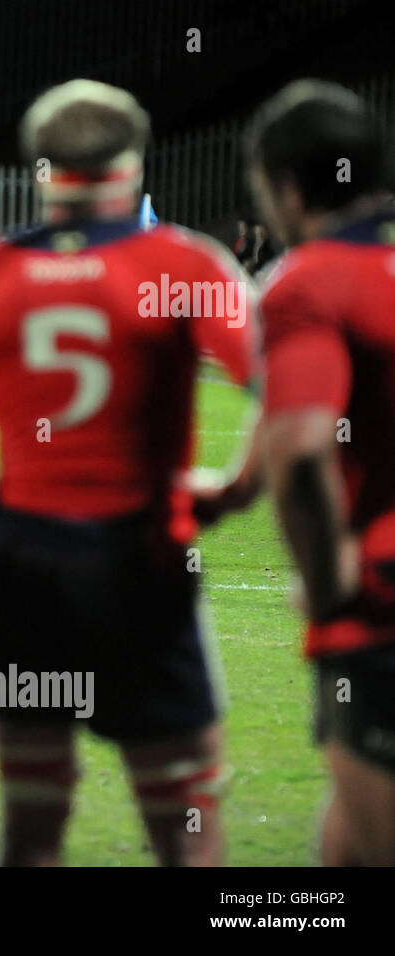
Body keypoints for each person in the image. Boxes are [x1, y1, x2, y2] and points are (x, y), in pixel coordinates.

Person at [0, 79, 261, 865]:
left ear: (38, 169)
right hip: (142, 561)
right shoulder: (185, 265)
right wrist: (235, 492)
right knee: (183, 825)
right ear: (133, 161)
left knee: (32, 827)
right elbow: (283, 391)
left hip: (22, 567)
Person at [248, 79, 395, 865]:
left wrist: (325, 574)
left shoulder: (314, 279)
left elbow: (302, 448)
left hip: (379, 610)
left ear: (287, 186)